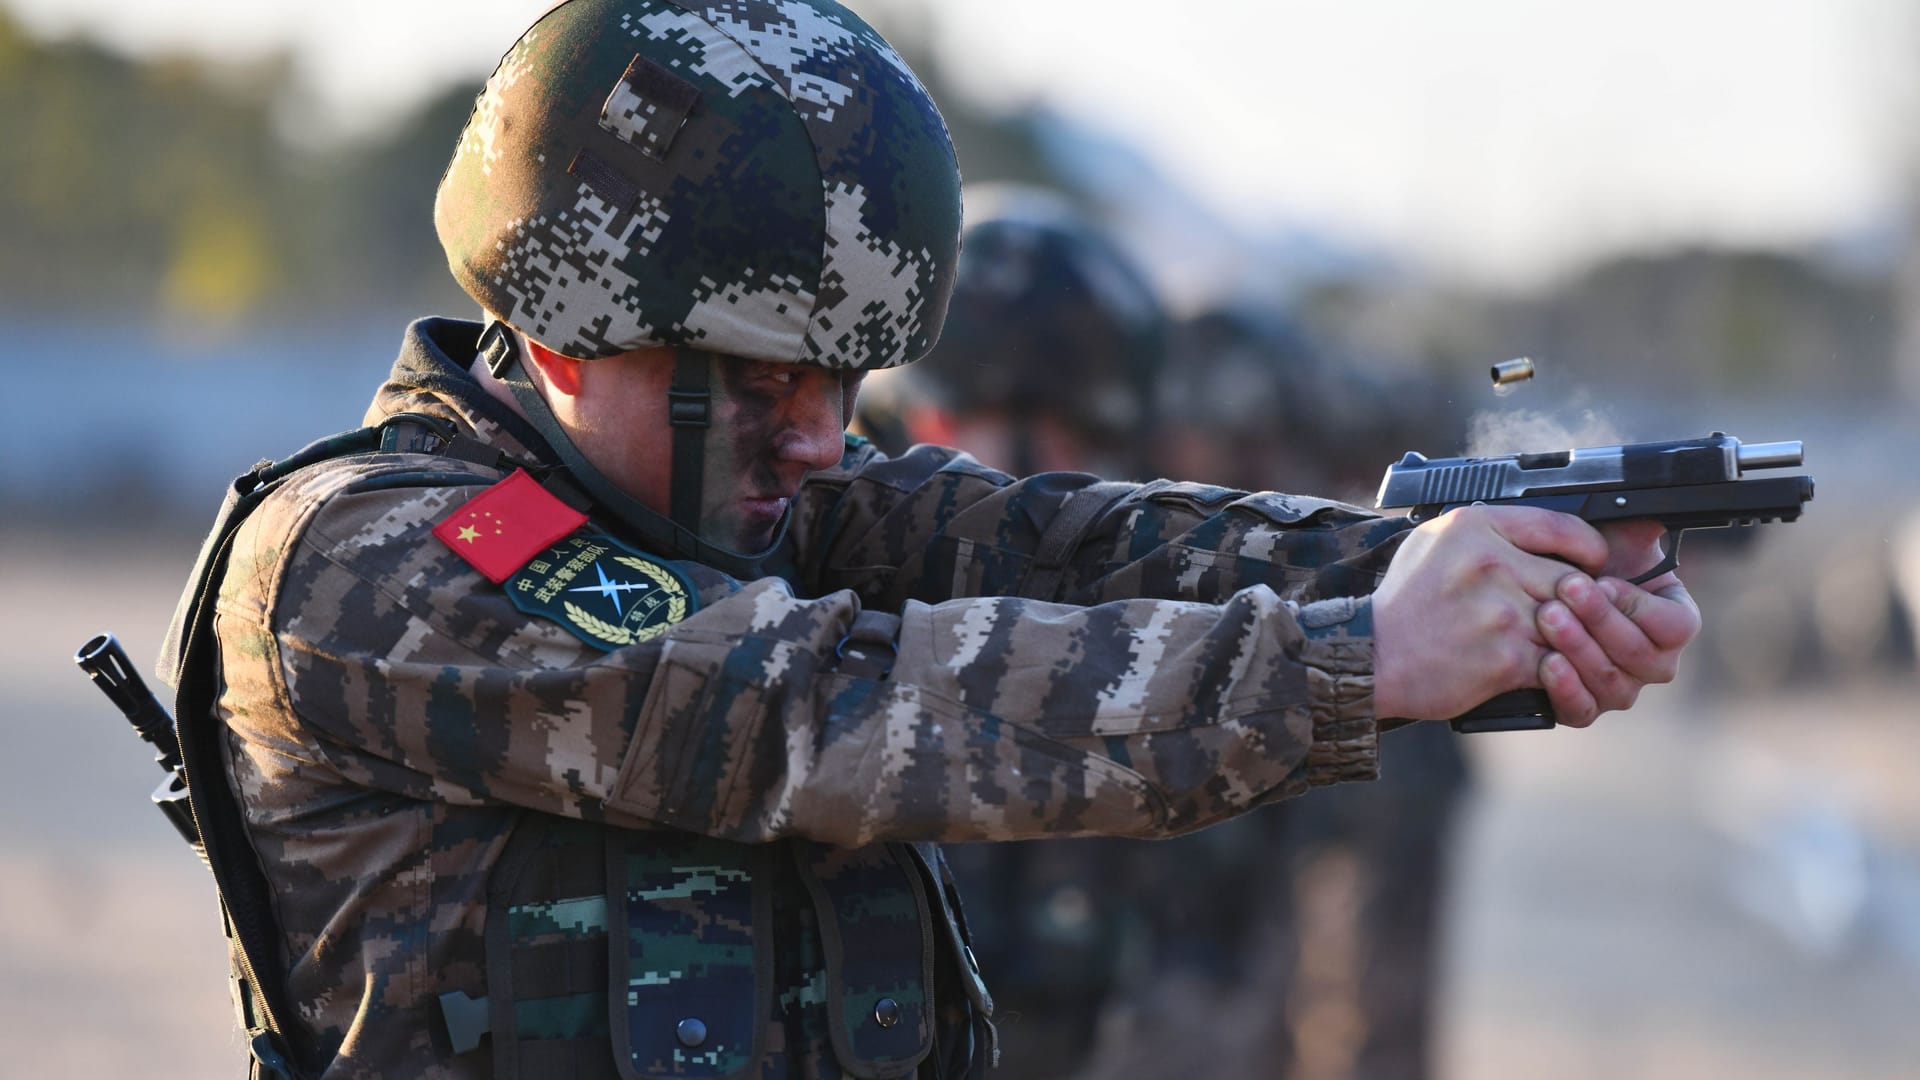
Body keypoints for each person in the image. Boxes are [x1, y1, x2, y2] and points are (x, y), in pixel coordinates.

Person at [153, 2, 1701, 1078]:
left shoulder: (731, 500)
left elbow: (1062, 545)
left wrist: (1455, 562)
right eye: (763, 386)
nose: (821, 438)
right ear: (570, 337)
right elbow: (816, 712)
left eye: (843, 383)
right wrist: (1364, 663)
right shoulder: (372, 562)